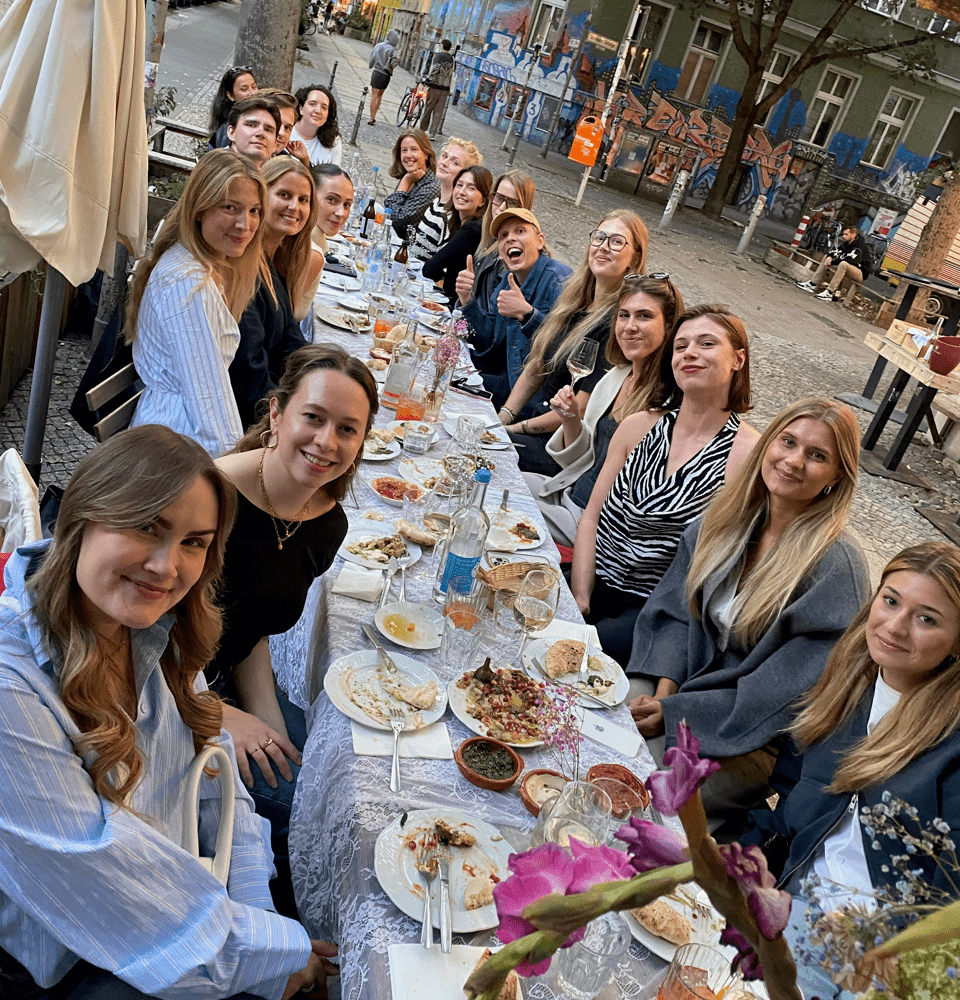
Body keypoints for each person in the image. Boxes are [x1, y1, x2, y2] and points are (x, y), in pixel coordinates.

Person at [0, 424, 337, 998]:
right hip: (81, 961)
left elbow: (217, 777)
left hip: (179, 902)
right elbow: (104, 885)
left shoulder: (157, 626)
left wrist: (259, 913)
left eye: (194, 543)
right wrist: (273, 956)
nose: (166, 566)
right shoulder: (14, 689)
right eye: (145, 527)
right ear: (81, 518)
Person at [628, 398, 869, 828]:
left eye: (817, 456)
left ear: (837, 476)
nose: (794, 461)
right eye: (788, 442)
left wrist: (677, 714)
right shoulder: (727, 516)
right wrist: (666, 693)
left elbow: (779, 691)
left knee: (643, 796)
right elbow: (676, 608)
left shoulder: (835, 568)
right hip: (682, 678)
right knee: (593, 723)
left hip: (749, 733)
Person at [742, 541, 960, 999]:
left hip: (873, 963)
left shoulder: (951, 747)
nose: (895, 626)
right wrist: (741, 861)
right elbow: (787, 803)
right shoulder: (845, 685)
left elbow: (948, 913)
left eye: (927, 619)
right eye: (891, 600)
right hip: (793, 905)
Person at [212, 344, 377, 921]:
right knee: (309, 808)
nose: (327, 442)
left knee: (335, 771)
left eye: (347, 429)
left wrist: (271, 727)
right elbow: (132, 645)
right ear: (276, 414)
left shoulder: (325, 521)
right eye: (313, 417)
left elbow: (250, 630)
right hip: (156, 701)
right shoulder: (212, 499)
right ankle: (275, 929)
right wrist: (216, 714)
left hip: (220, 685)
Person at [571, 305, 760, 665]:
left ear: (738, 359)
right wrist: (580, 596)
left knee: (572, 652)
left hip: (654, 613)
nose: (690, 353)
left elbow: (721, 568)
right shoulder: (637, 427)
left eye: (707, 344)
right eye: (681, 346)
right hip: (591, 579)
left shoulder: (747, 454)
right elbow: (590, 518)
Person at [529, 275, 685, 547]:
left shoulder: (669, 400)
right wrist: (570, 418)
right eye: (624, 315)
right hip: (567, 491)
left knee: (502, 500)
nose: (630, 326)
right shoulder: (618, 375)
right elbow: (582, 460)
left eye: (644, 316)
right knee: (494, 472)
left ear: (669, 326)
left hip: (592, 524)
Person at [129, 149, 266, 458]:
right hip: (174, 446)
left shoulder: (200, 265)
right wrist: (237, 471)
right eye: (230, 207)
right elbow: (208, 402)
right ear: (200, 208)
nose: (245, 224)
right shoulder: (188, 283)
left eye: (255, 210)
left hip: (175, 432)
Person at [496, 210, 649, 474]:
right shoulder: (574, 299)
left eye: (616, 241)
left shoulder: (618, 322)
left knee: (481, 446)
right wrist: (503, 417)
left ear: (634, 258)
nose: (603, 246)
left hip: (558, 446)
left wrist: (512, 429)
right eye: (599, 238)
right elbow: (536, 367)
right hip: (533, 418)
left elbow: (579, 410)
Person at [230, 158, 320, 428]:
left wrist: (327, 376)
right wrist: (293, 420)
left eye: (303, 200)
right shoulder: (242, 266)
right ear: (260, 197)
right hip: (246, 416)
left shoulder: (273, 262)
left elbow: (292, 340)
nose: (294, 207)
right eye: (284, 195)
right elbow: (247, 372)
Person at [457, 207, 572, 411]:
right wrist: (467, 299)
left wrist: (526, 314)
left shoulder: (559, 281)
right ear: (500, 252)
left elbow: (566, 351)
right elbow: (485, 339)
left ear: (540, 241)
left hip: (535, 401)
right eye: (503, 235)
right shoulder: (506, 282)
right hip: (504, 378)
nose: (510, 238)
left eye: (520, 231)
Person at [461, 169, 537, 314]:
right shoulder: (488, 238)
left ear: (524, 208)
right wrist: (464, 297)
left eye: (512, 203)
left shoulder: (515, 253)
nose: (501, 208)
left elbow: (492, 319)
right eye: (499, 197)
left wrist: (466, 301)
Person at [421, 165, 492, 307]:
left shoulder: (472, 230)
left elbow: (430, 269)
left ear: (483, 200)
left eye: (471, 188)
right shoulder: (466, 224)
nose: (462, 192)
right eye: (459, 185)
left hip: (455, 307)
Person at [409, 136, 483, 262]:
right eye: (444, 156)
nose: (444, 163)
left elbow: (441, 264)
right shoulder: (436, 202)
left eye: (455, 162)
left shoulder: (451, 216)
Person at [384, 128, 440, 242]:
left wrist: (405, 183)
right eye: (404, 150)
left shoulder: (431, 187)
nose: (408, 155)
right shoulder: (412, 175)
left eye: (414, 149)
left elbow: (396, 220)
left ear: (426, 154)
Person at [796, 225, 871, 302]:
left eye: (846, 234)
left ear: (853, 235)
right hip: (851, 266)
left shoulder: (859, 246)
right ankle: (812, 284)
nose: (844, 236)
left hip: (860, 273)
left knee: (843, 264)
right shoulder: (847, 243)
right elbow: (837, 251)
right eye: (843, 234)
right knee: (827, 258)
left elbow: (850, 259)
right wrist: (830, 256)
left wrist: (832, 262)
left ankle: (829, 292)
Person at [208, 65, 258, 149]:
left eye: (254, 87)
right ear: (230, 95)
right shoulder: (227, 132)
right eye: (244, 89)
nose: (252, 93)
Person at [291, 84, 343, 166]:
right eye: (312, 104)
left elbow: (335, 173)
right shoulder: (286, 132)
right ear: (301, 108)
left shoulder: (334, 141)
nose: (318, 111)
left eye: (324, 108)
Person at [257, 87, 309, 165]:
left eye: (287, 128)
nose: (281, 133)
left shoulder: (284, 161)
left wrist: (304, 161)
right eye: (276, 123)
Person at [227, 95, 281, 168]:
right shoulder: (213, 170)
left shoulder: (282, 174)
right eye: (251, 125)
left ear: (275, 144)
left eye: (268, 130)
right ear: (231, 132)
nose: (261, 133)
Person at [420, 38, 455, 136]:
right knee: (438, 112)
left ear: (442, 46)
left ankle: (422, 129)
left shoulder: (438, 56)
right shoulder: (452, 59)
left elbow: (434, 70)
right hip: (445, 89)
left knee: (428, 109)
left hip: (435, 87)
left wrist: (427, 80)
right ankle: (432, 133)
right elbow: (452, 74)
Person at [368, 29, 399, 125]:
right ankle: (374, 115)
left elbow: (372, 58)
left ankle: (371, 118)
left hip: (377, 72)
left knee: (374, 95)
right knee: (379, 96)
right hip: (386, 75)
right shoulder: (393, 50)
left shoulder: (379, 45)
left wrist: (371, 65)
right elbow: (394, 64)